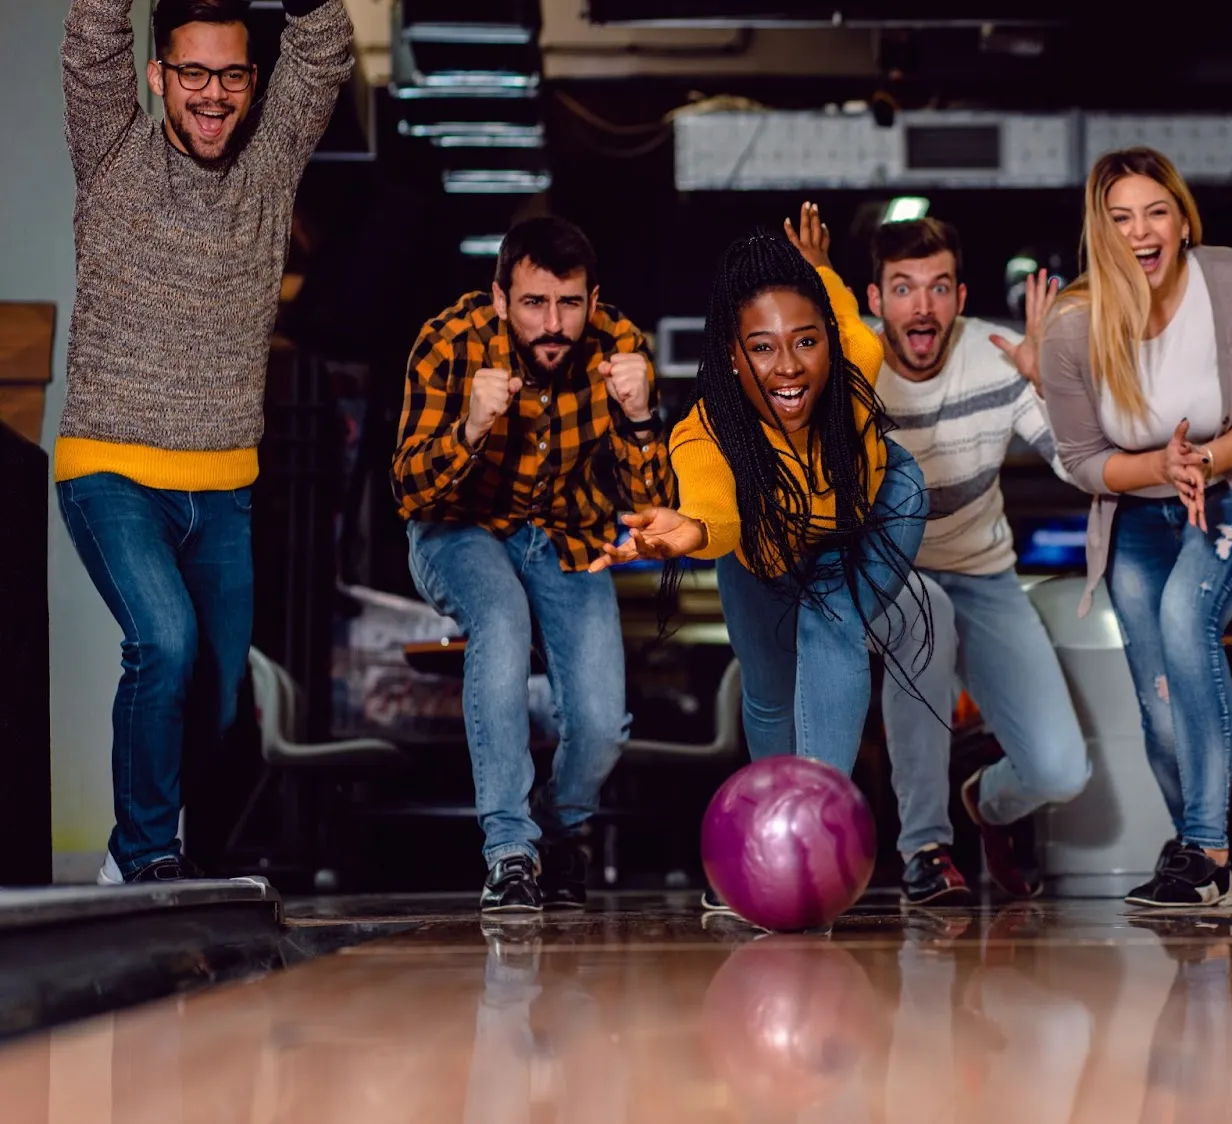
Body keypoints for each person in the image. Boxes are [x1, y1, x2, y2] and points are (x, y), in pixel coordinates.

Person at [55, 0, 354, 885]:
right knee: (166, 641)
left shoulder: (270, 167)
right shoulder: (112, 148)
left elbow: (326, 46)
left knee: (218, 699)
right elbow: (93, 34)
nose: (212, 95)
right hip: (110, 468)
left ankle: (129, 853)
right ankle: (151, 852)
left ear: (252, 83)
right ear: (159, 78)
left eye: (231, 75)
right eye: (193, 73)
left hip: (224, 484)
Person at [589, 204, 932, 911]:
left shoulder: (858, 362)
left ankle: (814, 846)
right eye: (764, 348)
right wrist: (688, 531)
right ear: (735, 355)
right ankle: (765, 847)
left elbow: (836, 307)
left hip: (858, 533)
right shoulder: (707, 430)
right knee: (769, 693)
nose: (789, 366)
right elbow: (715, 514)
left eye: (805, 343)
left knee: (831, 619)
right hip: (758, 556)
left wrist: (823, 270)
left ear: (829, 344)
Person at [1038, 146, 1232, 908]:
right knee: (1157, 702)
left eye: (1155, 212)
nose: (1140, 231)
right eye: (1120, 219)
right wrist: (1160, 468)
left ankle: (1208, 855)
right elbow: (1084, 459)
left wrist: (1203, 464)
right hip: (1138, 514)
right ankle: (1195, 845)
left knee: (1190, 620)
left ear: (1183, 220)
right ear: (1100, 234)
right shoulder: (1072, 327)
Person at [392, 217, 673, 914]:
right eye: (534, 304)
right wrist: (470, 431)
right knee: (501, 617)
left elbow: (654, 513)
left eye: (570, 304)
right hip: (459, 529)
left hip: (568, 536)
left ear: (593, 298)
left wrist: (641, 421)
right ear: (498, 298)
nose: (553, 325)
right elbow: (409, 491)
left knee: (605, 723)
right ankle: (511, 852)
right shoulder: (448, 342)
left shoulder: (620, 347)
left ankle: (558, 829)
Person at [865, 217, 1091, 904]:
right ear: (875, 302)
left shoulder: (1001, 356)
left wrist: (1053, 383)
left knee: (1060, 773)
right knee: (923, 613)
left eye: (937, 288)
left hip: (985, 574)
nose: (921, 306)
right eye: (903, 289)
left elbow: (1081, 468)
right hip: (892, 574)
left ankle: (981, 803)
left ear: (959, 298)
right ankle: (925, 848)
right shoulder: (852, 369)